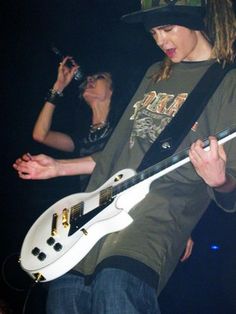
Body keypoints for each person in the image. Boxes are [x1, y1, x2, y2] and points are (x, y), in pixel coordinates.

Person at [13, 0, 236, 313]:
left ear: (194, 23)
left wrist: (220, 179)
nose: (160, 41)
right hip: (98, 207)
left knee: (115, 287)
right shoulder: (155, 73)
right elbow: (116, 151)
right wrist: (57, 167)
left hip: (157, 216)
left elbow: (231, 191)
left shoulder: (227, 82)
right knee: (67, 294)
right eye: (154, 33)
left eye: (167, 29)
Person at [33, 57, 115, 189]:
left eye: (100, 77)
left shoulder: (121, 126)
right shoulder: (82, 137)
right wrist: (58, 87)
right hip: (92, 202)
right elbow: (40, 135)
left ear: (112, 90)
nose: (89, 79)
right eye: (89, 77)